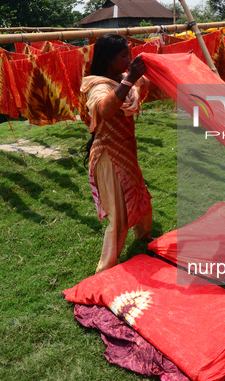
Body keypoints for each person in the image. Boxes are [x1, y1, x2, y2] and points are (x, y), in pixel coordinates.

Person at [80, 34, 154, 273]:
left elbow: (143, 86)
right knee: (119, 215)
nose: (128, 59)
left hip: (126, 150)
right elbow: (104, 109)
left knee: (140, 195)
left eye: (129, 54)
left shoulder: (122, 79)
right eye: (123, 55)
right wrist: (131, 78)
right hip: (109, 156)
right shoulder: (98, 86)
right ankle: (105, 269)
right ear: (108, 59)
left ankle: (144, 237)